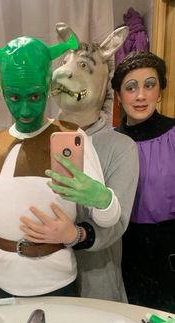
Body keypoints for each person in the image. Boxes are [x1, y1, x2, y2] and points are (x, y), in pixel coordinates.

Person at [0, 33, 122, 302]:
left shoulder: (73, 137)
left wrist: (102, 198)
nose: (25, 109)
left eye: (35, 96)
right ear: (3, 90)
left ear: (49, 86)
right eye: (14, 98)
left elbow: (108, 219)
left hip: (56, 283)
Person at [45, 24, 139, 302]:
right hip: (41, 279)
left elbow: (116, 222)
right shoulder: (37, 135)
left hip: (95, 283)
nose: (64, 72)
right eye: (64, 63)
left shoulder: (121, 148)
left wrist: (75, 234)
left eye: (84, 66)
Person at [111, 51, 175, 312]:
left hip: (169, 252)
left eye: (149, 85)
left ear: (159, 91)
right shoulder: (109, 142)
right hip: (121, 251)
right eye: (131, 87)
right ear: (118, 96)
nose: (140, 95)